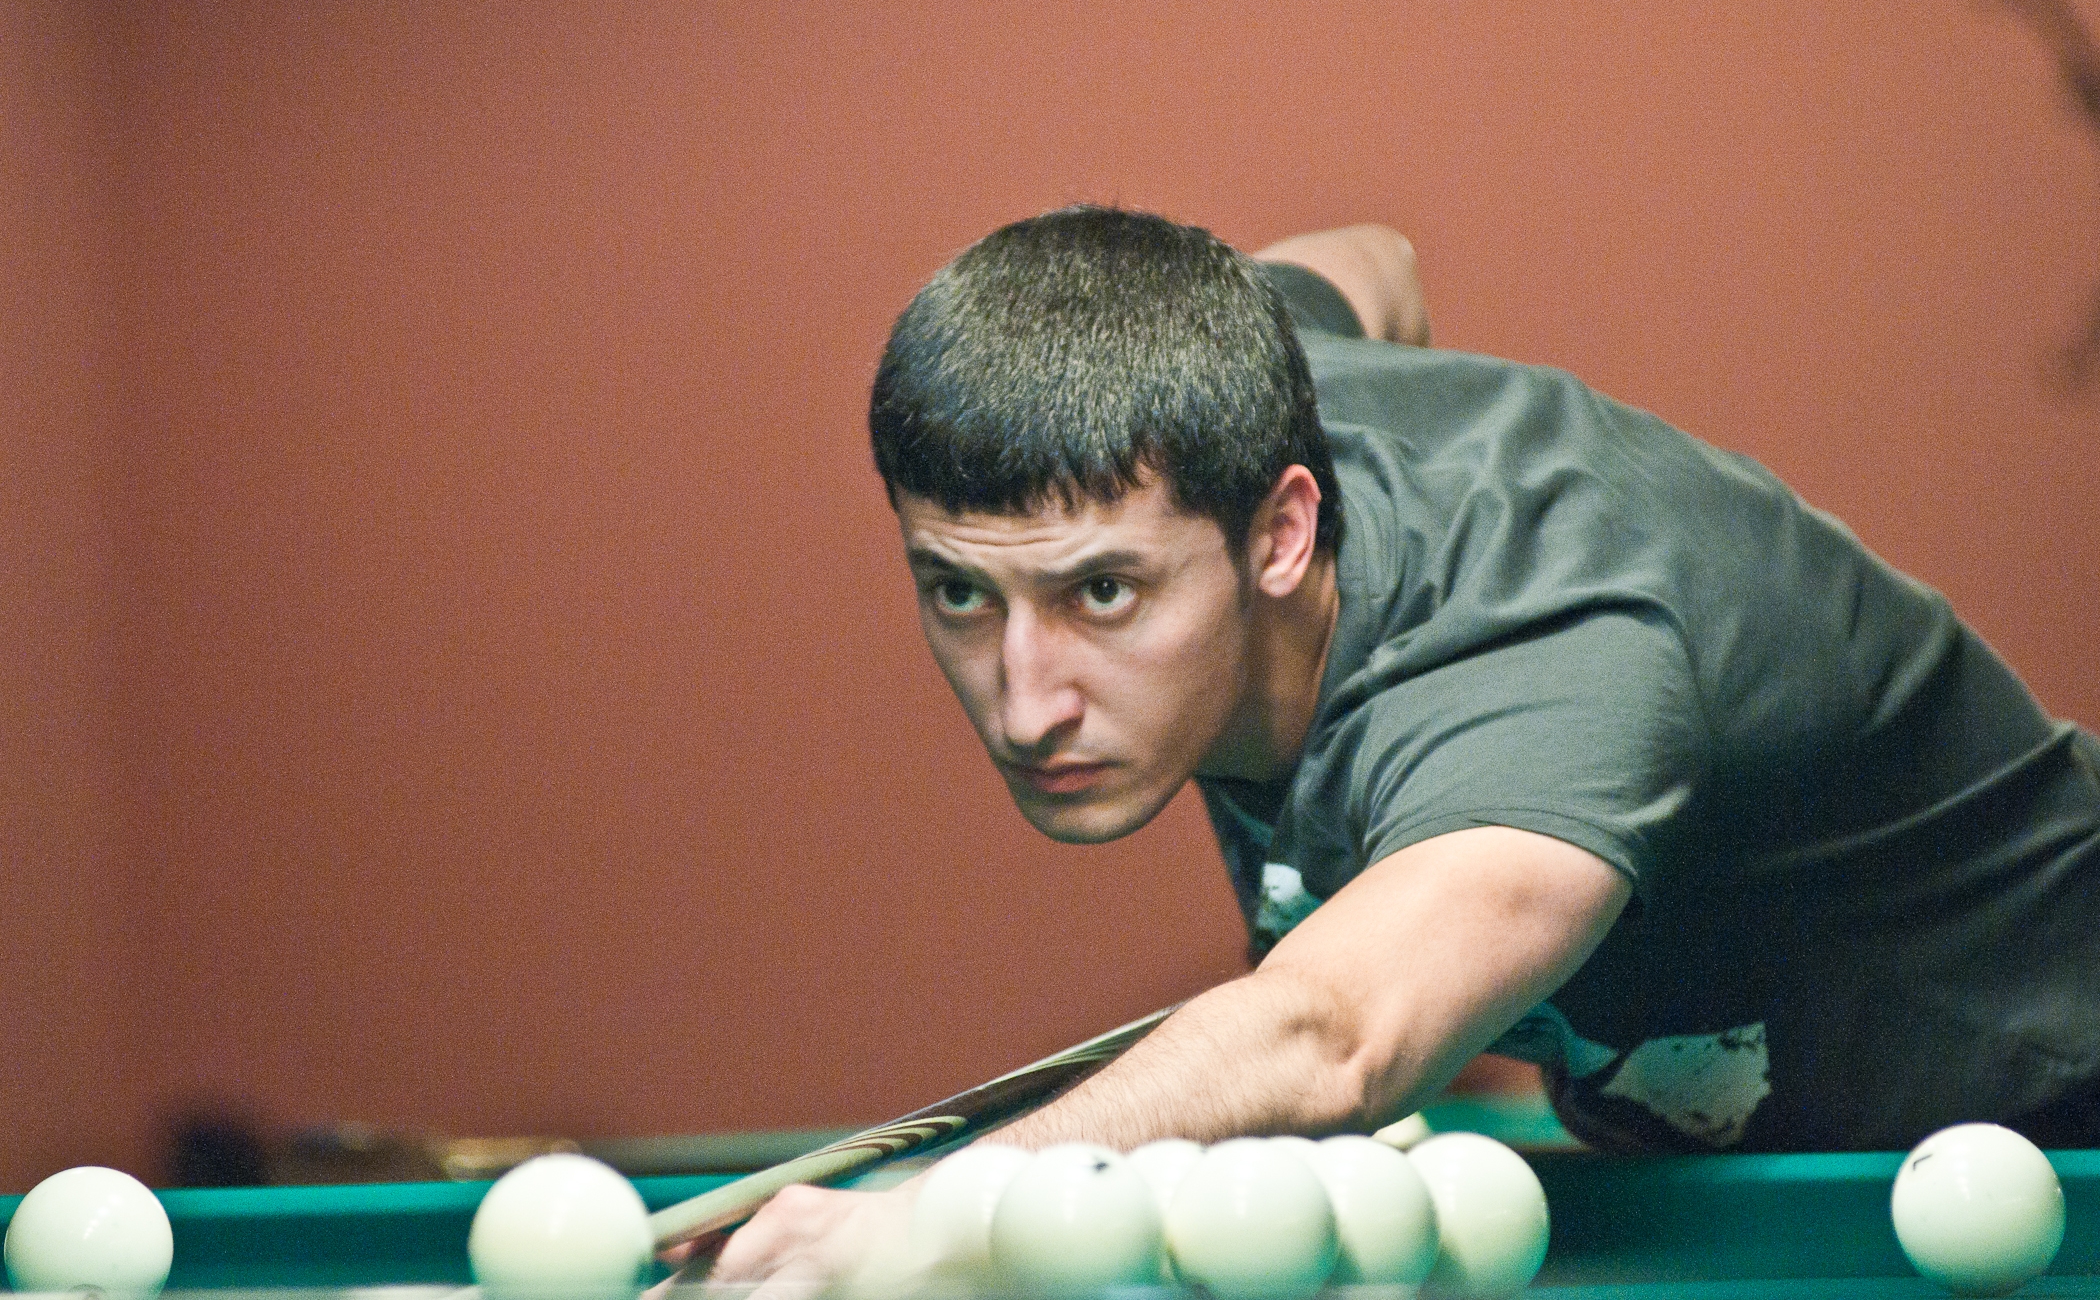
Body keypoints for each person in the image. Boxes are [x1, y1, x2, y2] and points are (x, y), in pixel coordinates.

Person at [698, 206, 2100, 1290]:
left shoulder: (1557, 659)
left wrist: (934, 1222)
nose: (1024, 703)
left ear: (1281, 533)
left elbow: (1334, 1035)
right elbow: (1369, 259)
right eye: (959, 592)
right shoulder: (1232, 390)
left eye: (1103, 593)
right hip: (1767, 1198)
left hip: (2053, 1143)